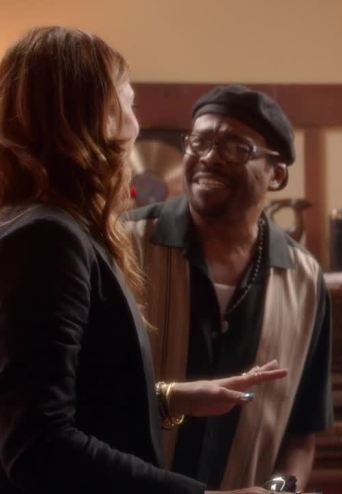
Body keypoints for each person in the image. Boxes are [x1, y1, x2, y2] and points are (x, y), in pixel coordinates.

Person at [0, 26, 287, 494]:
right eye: (128, 105)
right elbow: (38, 445)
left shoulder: (46, 227)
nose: (136, 125)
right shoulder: (48, 238)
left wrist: (173, 398)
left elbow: (67, 397)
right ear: (91, 119)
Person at [127, 85, 333, 490]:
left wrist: (278, 490)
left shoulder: (305, 280)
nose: (209, 157)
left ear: (277, 173)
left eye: (236, 147)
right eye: (199, 141)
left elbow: (301, 433)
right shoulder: (124, 245)